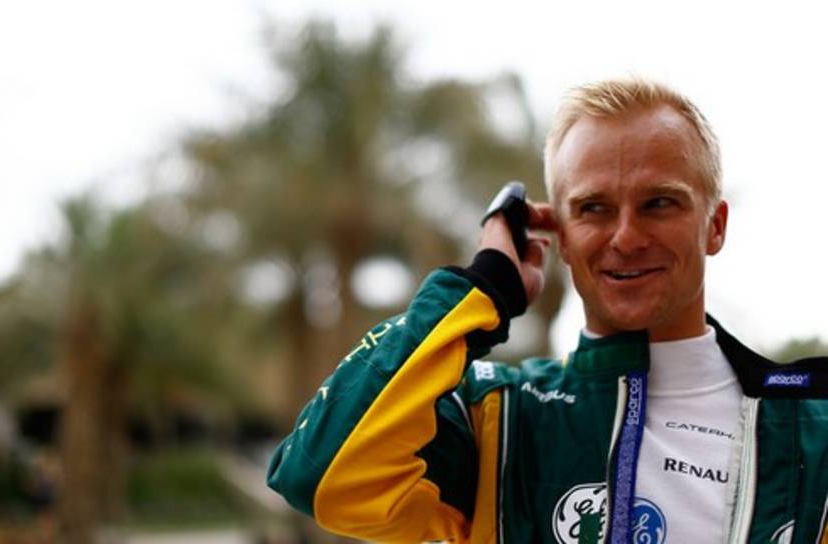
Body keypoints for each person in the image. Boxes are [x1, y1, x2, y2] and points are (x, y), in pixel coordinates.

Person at [267, 78, 828, 543]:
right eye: (593, 208)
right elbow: (322, 477)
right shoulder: (499, 417)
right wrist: (481, 290)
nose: (626, 237)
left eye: (659, 203)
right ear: (558, 235)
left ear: (715, 225)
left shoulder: (813, 425)